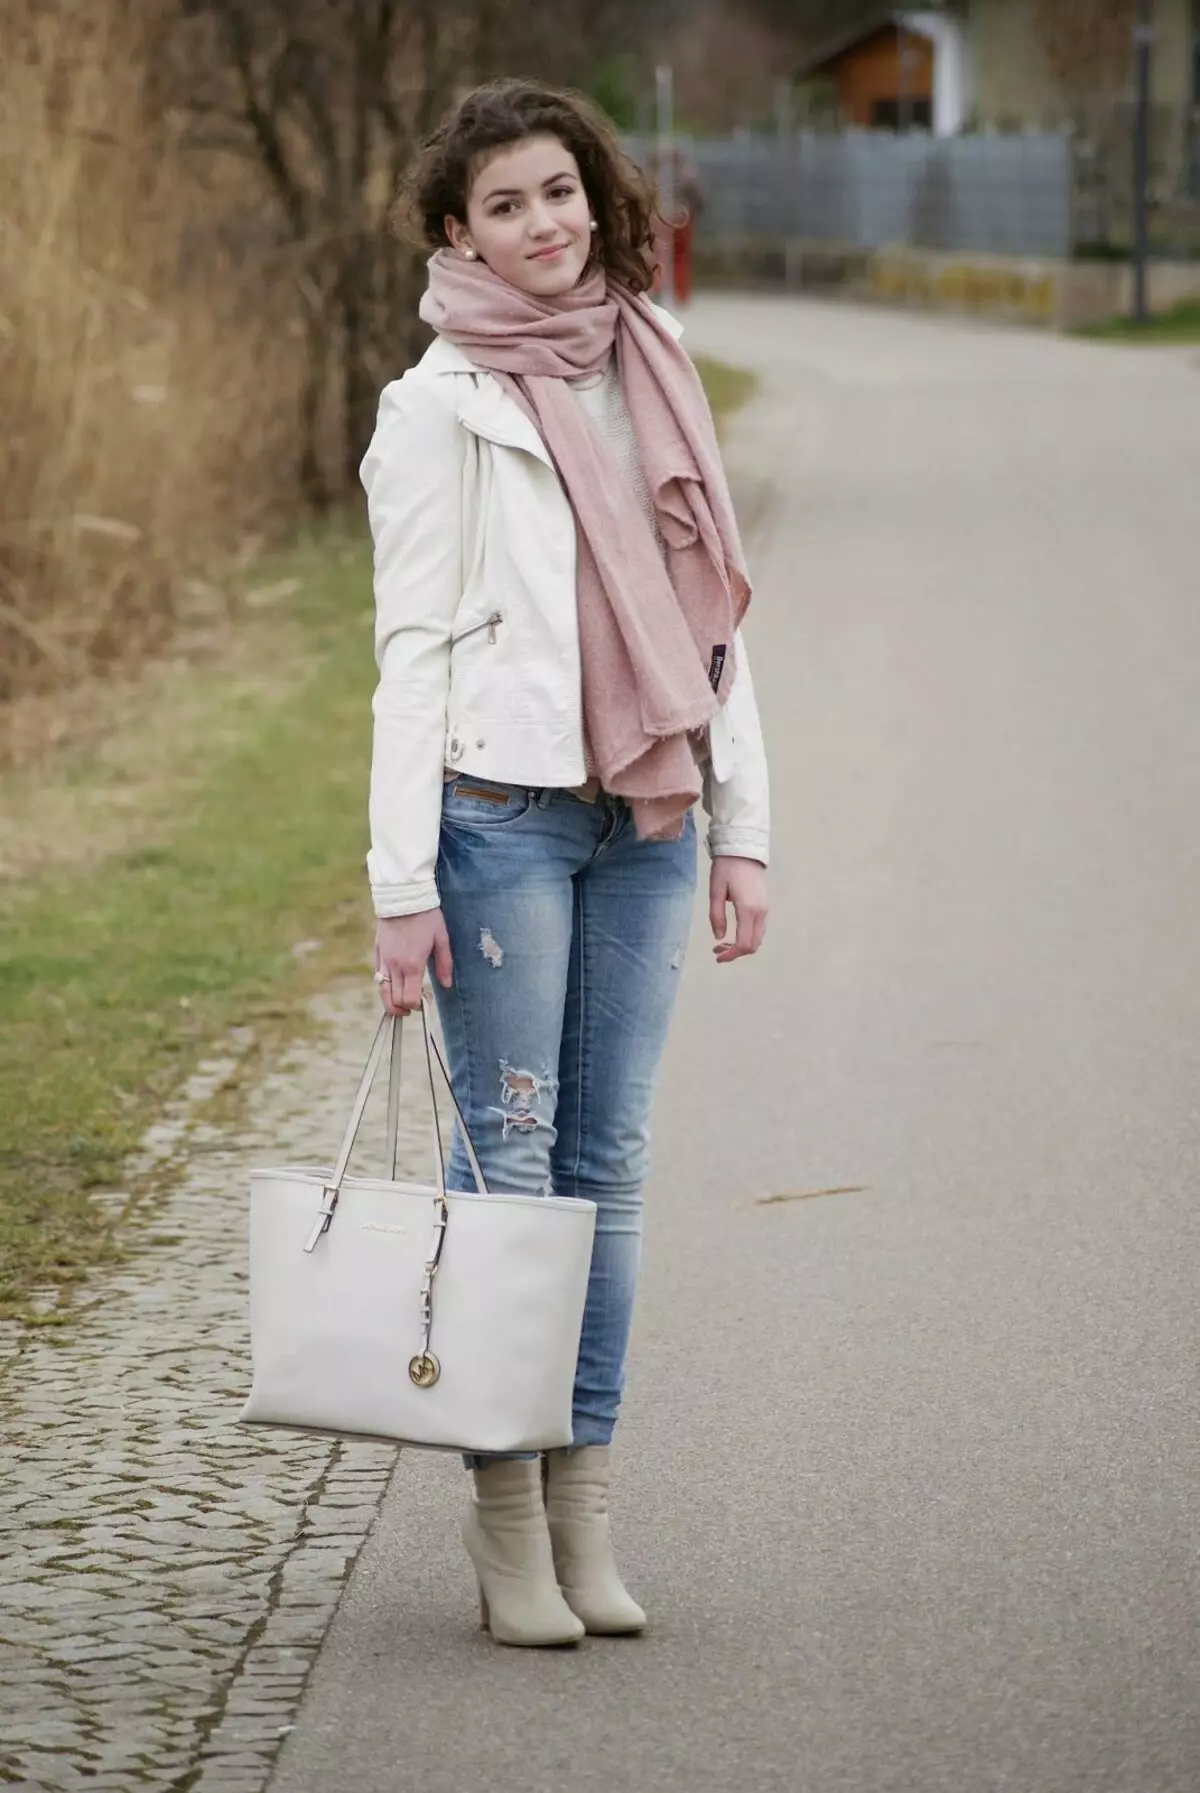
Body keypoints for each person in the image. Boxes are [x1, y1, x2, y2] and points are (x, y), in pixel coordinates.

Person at [360, 78, 770, 1649]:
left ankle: (588, 1512)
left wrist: (744, 830)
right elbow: (405, 651)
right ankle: (504, 1519)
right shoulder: (436, 405)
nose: (542, 225)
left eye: (559, 192)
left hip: (646, 817)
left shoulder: (653, 369)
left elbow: (718, 624)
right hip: (501, 823)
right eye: (505, 206)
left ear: (597, 193)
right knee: (510, 1174)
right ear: (457, 232)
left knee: (608, 1173)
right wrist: (403, 880)